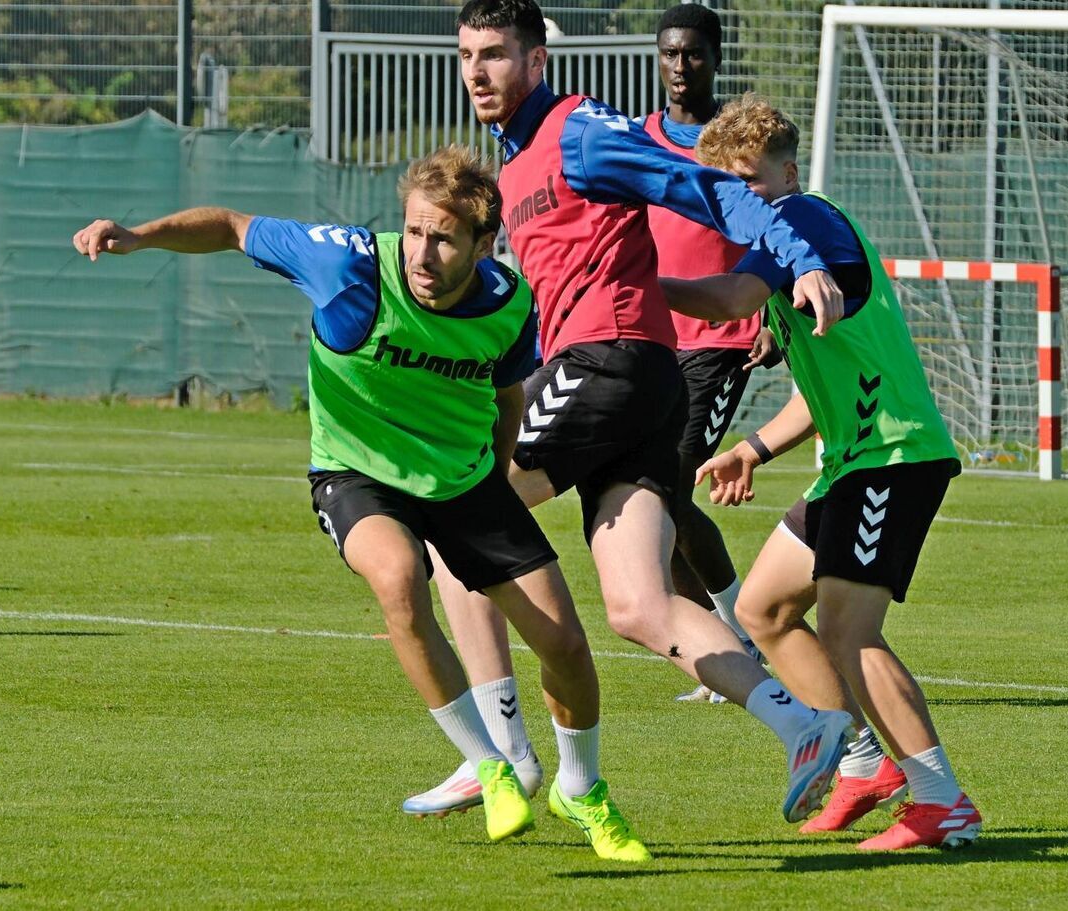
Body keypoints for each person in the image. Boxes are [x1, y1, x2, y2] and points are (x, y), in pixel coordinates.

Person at [70, 146, 650, 862]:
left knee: (564, 643)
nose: (422, 253)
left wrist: (494, 489)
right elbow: (228, 224)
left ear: (482, 243)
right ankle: (491, 765)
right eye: (413, 231)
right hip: (355, 473)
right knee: (401, 579)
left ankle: (582, 788)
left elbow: (506, 397)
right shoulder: (346, 265)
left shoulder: (509, 302)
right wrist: (139, 235)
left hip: (464, 479)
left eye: (442, 237)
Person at [409, 0, 856, 835]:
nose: (477, 70)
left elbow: (691, 183)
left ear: (537, 61)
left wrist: (794, 254)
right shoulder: (510, 172)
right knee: (639, 604)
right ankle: (805, 725)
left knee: (449, 524)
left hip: (612, 365)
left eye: (496, 54)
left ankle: (497, 759)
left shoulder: (578, 131)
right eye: (467, 54)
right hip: (637, 386)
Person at [674, 94, 982, 850]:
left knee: (850, 627)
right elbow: (825, 392)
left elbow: (727, 300)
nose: (738, 198)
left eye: (751, 180)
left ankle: (943, 800)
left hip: (893, 455)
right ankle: (862, 765)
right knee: (767, 608)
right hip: (850, 463)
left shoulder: (803, 221)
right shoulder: (782, 250)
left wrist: (619, 293)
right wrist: (753, 448)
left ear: (787, 172)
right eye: (725, 186)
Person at [646, 3, 773, 703]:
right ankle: (725, 653)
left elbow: (783, 220)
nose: (679, 66)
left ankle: (742, 644)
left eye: (692, 53)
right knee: (651, 504)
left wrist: (772, 312)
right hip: (653, 341)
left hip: (720, 342)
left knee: (668, 489)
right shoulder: (640, 138)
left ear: (716, 57)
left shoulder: (737, 144)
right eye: (669, 53)